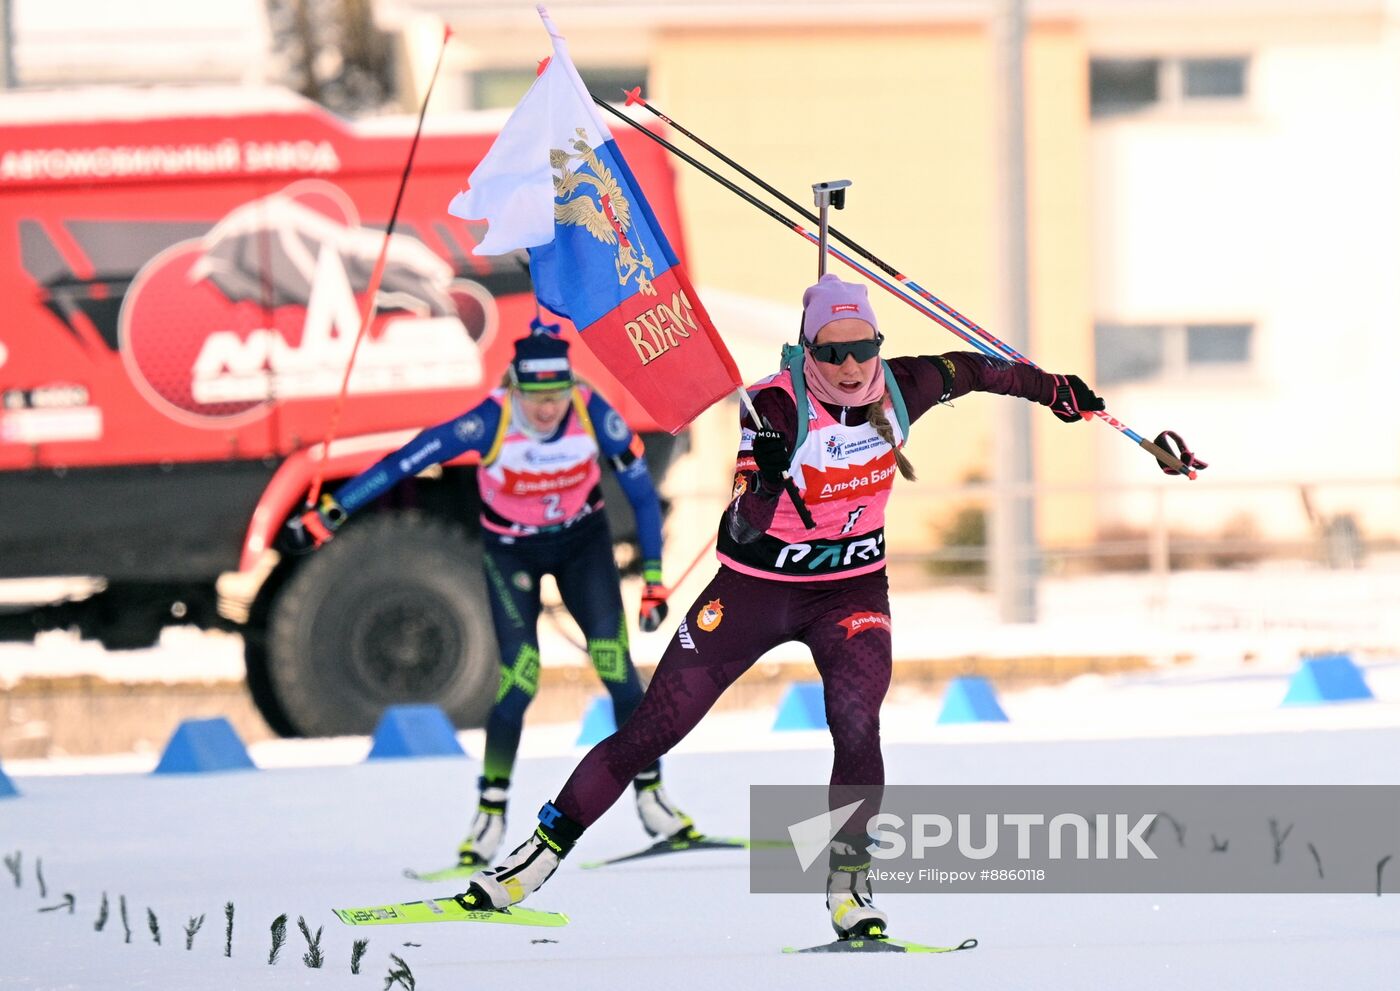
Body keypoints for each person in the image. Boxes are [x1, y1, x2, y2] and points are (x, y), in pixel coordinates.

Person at [456, 274, 1108, 937]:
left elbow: (974, 369)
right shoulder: (775, 408)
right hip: (754, 592)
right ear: (807, 351)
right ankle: (534, 856)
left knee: (856, 721)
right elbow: (735, 532)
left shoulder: (905, 385)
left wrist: (1054, 390)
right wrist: (768, 478)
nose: (851, 368)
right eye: (831, 354)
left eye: (863, 349)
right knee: (652, 730)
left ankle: (850, 884)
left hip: (851, 590)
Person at [285, 326, 694, 868]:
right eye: (535, 397)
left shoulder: (592, 409)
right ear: (515, 389)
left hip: (581, 548)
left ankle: (653, 798)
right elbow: (405, 460)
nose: (547, 409)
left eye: (556, 396)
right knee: (518, 682)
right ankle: (490, 815)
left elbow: (643, 496)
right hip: (512, 554)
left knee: (617, 670)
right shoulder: (489, 419)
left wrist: (653, 580)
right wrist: (331, 513)